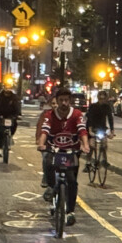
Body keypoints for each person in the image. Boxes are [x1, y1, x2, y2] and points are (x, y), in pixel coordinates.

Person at [37, 88, 90, 226]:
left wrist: (85, 145)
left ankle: (70, 211)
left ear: (70, 101)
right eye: (61, 100)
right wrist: (41, 144)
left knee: (72, 181)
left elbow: (82, 130)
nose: (64, 103)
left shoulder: (77, 114)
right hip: (54, 150)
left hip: (72, 151)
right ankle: (51, 187)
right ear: (57, 101)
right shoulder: (50, 115)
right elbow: (45, 130)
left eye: (66, 100)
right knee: (48, 162)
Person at [85, 90, 115, 169]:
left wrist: (112, 131)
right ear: (98, 98)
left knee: (104, 145)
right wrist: (90, 130)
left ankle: (104, 160)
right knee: (92, 146)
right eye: (101, 98)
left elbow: (110, 118)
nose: (102, 100)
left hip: (102, 128)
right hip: (92, 128)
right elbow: (90, 118)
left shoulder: (107, 107)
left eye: (104, 99)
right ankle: (88, 162)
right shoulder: (93, 106)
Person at [0, 83, 21, 156]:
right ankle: (0, 148)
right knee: (1, 131)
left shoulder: (14, 97)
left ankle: (10, 136)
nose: (7, 89)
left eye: (9, 88)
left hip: (11, 116)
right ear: (4, 88)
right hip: (1, 116)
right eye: (6, 88)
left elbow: (17, 106)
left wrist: (18, 114)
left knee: (14, 125)